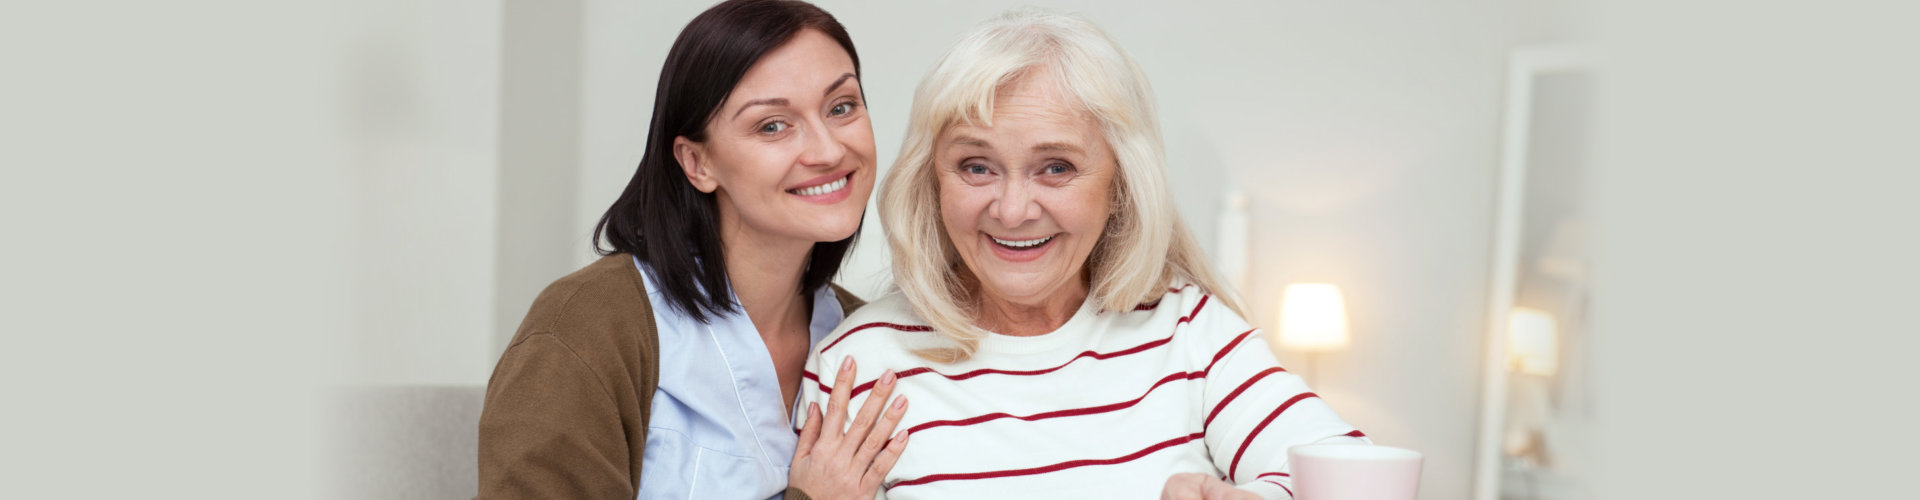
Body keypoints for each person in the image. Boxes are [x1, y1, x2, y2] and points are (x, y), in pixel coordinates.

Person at [799, 9, 1369, 499]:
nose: (1013, 209)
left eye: (1057, 168)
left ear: (1119, 186)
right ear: (933, 183)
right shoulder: (860, 368)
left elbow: (1361, 481)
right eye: (977, 166)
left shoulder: (1188, 329)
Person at [476, 1, 907, 498]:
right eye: (772, 125)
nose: (829, 150)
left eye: (841, 107)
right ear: (697, 162)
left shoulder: (871, 340)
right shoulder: (592, 326)